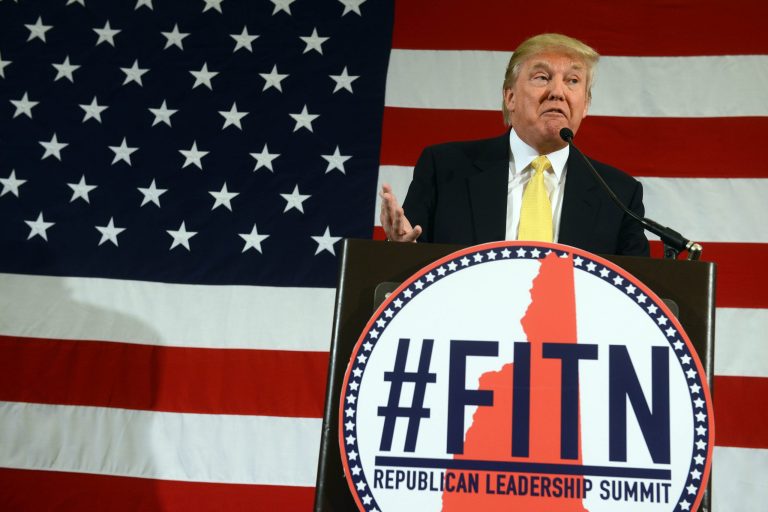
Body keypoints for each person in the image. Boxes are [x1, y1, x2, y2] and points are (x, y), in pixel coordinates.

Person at [379, 33, 649, 256]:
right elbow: (407, 267)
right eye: (542, 77)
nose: (557, 92)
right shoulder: (445, 169)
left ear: (586, 105)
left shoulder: (619, 195)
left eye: (573, 81)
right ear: (510, 97)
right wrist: (401, 249)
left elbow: (637, 290)